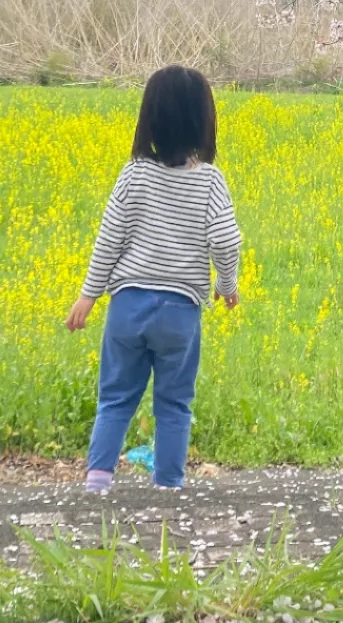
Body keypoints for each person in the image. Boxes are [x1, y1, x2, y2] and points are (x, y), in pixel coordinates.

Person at [65, 65, 241, 492]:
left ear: (150, 120)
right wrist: (226, 286)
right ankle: (167, 487)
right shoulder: (210, 182)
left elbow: (110, 238)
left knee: (116, 399)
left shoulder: (134, 174)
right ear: (204, 123)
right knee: (175, 405)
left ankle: (97, 482)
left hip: (128, 306)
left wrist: (88, 296)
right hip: (179, 313)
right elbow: (226, 240)